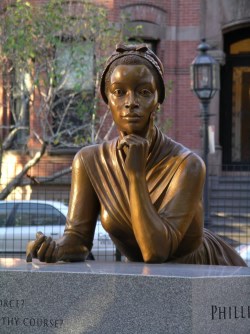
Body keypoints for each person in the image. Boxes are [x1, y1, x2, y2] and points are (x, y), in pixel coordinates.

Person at [26, 44, 247, 266]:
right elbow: (79, 239)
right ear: (107, 99)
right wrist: (56, 248)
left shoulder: (187, 165)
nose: (131, 102)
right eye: (119, 92)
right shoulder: (88, 161)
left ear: (158, 100)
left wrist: (136, 175)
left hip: (201, 272)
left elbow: (156, 252)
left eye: (144, 92)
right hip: (143, 276)